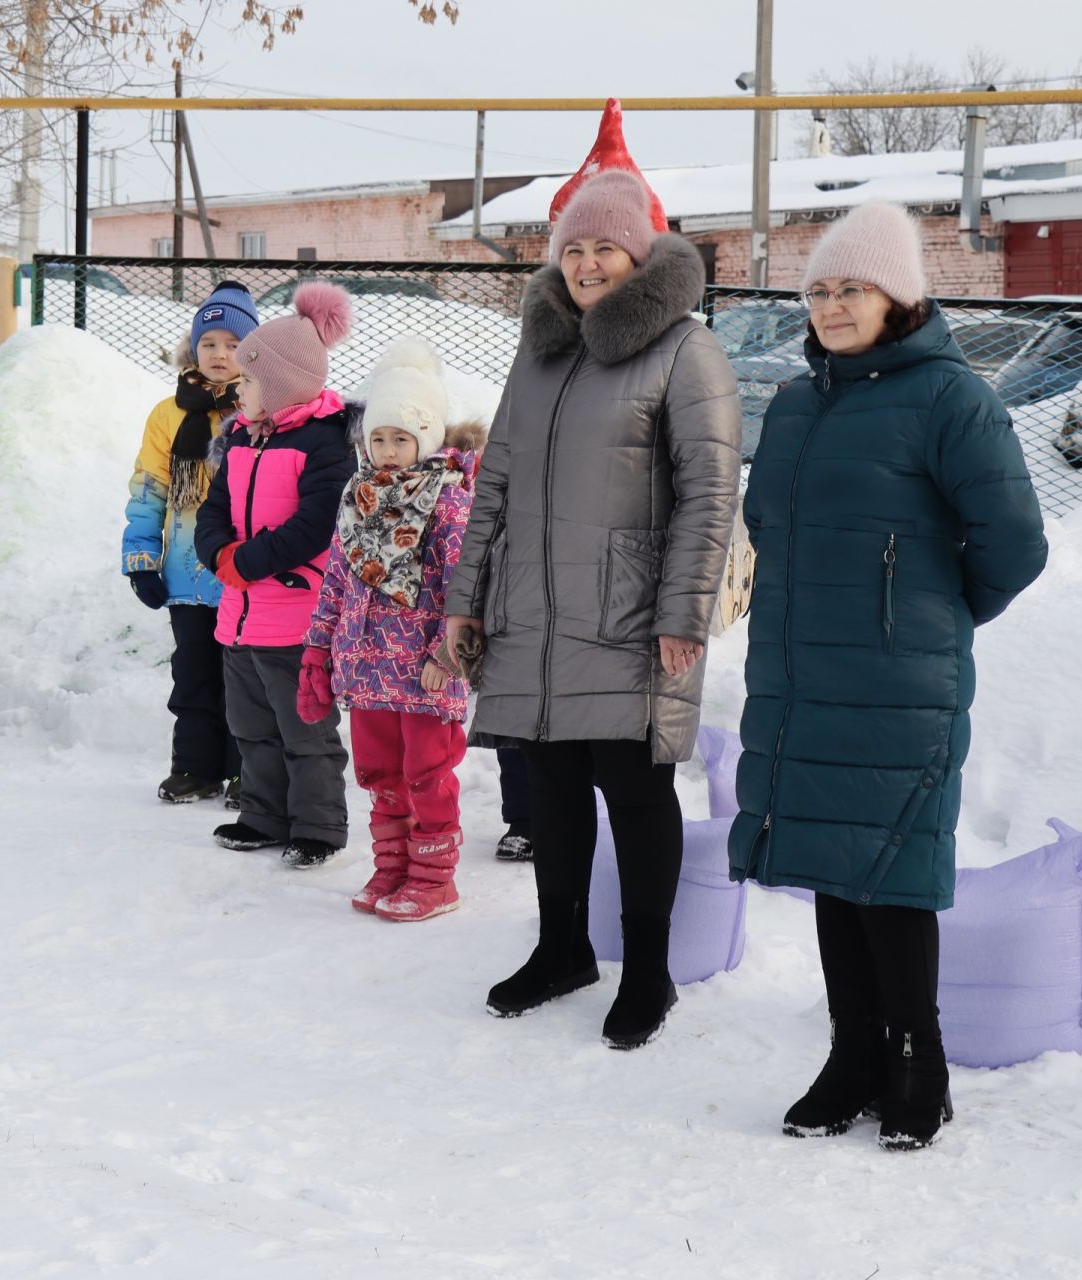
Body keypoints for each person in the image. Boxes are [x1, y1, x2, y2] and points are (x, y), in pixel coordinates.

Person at [726, 202, 1048, 1151]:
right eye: (818, 290)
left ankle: (920, 1064)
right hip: (801, 673)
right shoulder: (794, 402)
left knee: (893, 873)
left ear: (899, 297)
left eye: (850, 288)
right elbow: (773, 532)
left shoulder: (952, 398)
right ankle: (852, 1056)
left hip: (901, 679)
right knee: (835, 865)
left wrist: (933, 619)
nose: (829, 305)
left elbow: (1016, 547)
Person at [441, 168, 743, 1050]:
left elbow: (710, 488)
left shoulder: (686, 350)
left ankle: (648, 972)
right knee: (553, 785)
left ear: (638, 254)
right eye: (572, 248)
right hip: (530, 609)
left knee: (637, 792)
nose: (585, 262)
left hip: (628, 610)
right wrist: (467, 601)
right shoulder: (539, 353)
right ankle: (562, 949)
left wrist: (683, 609)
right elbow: (492, 479)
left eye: (603, 246)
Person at [299, 340, 484, 921]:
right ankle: (392, 867)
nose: (386, 450)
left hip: (425, 672)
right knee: (380, 775)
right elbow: (335, 581)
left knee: (427, 774)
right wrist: (317, 650)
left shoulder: (449, 505)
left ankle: (434, 878)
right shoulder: (356, 499)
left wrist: (447, 654)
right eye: (377, 437)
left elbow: (464, 588)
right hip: (365, 666)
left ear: (426, 440)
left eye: (401, 438)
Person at [194, 281, 355, 869]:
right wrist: (217, 554)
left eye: (249, 380)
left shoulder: (324, 442)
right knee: (251, 724)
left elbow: (316, 524)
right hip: (238, 614)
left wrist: (249, 561)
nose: (239, 390)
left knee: (304, 728)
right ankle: (263, 813)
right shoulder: (237, 437)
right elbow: (212, 510)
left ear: (282, 384)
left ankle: (317, 825)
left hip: (294, 617)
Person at [122, 281, 259, 806]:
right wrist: (140, 556)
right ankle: (195, 767)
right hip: (185, 571)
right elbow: (149, 487)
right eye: (209, 343)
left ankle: (251, 772)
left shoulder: (259, 410)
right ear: (193, 348)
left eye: (232, 343)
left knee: (246, 678)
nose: (220, 354)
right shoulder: (168, 414)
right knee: (194, 671)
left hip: (243, 571)